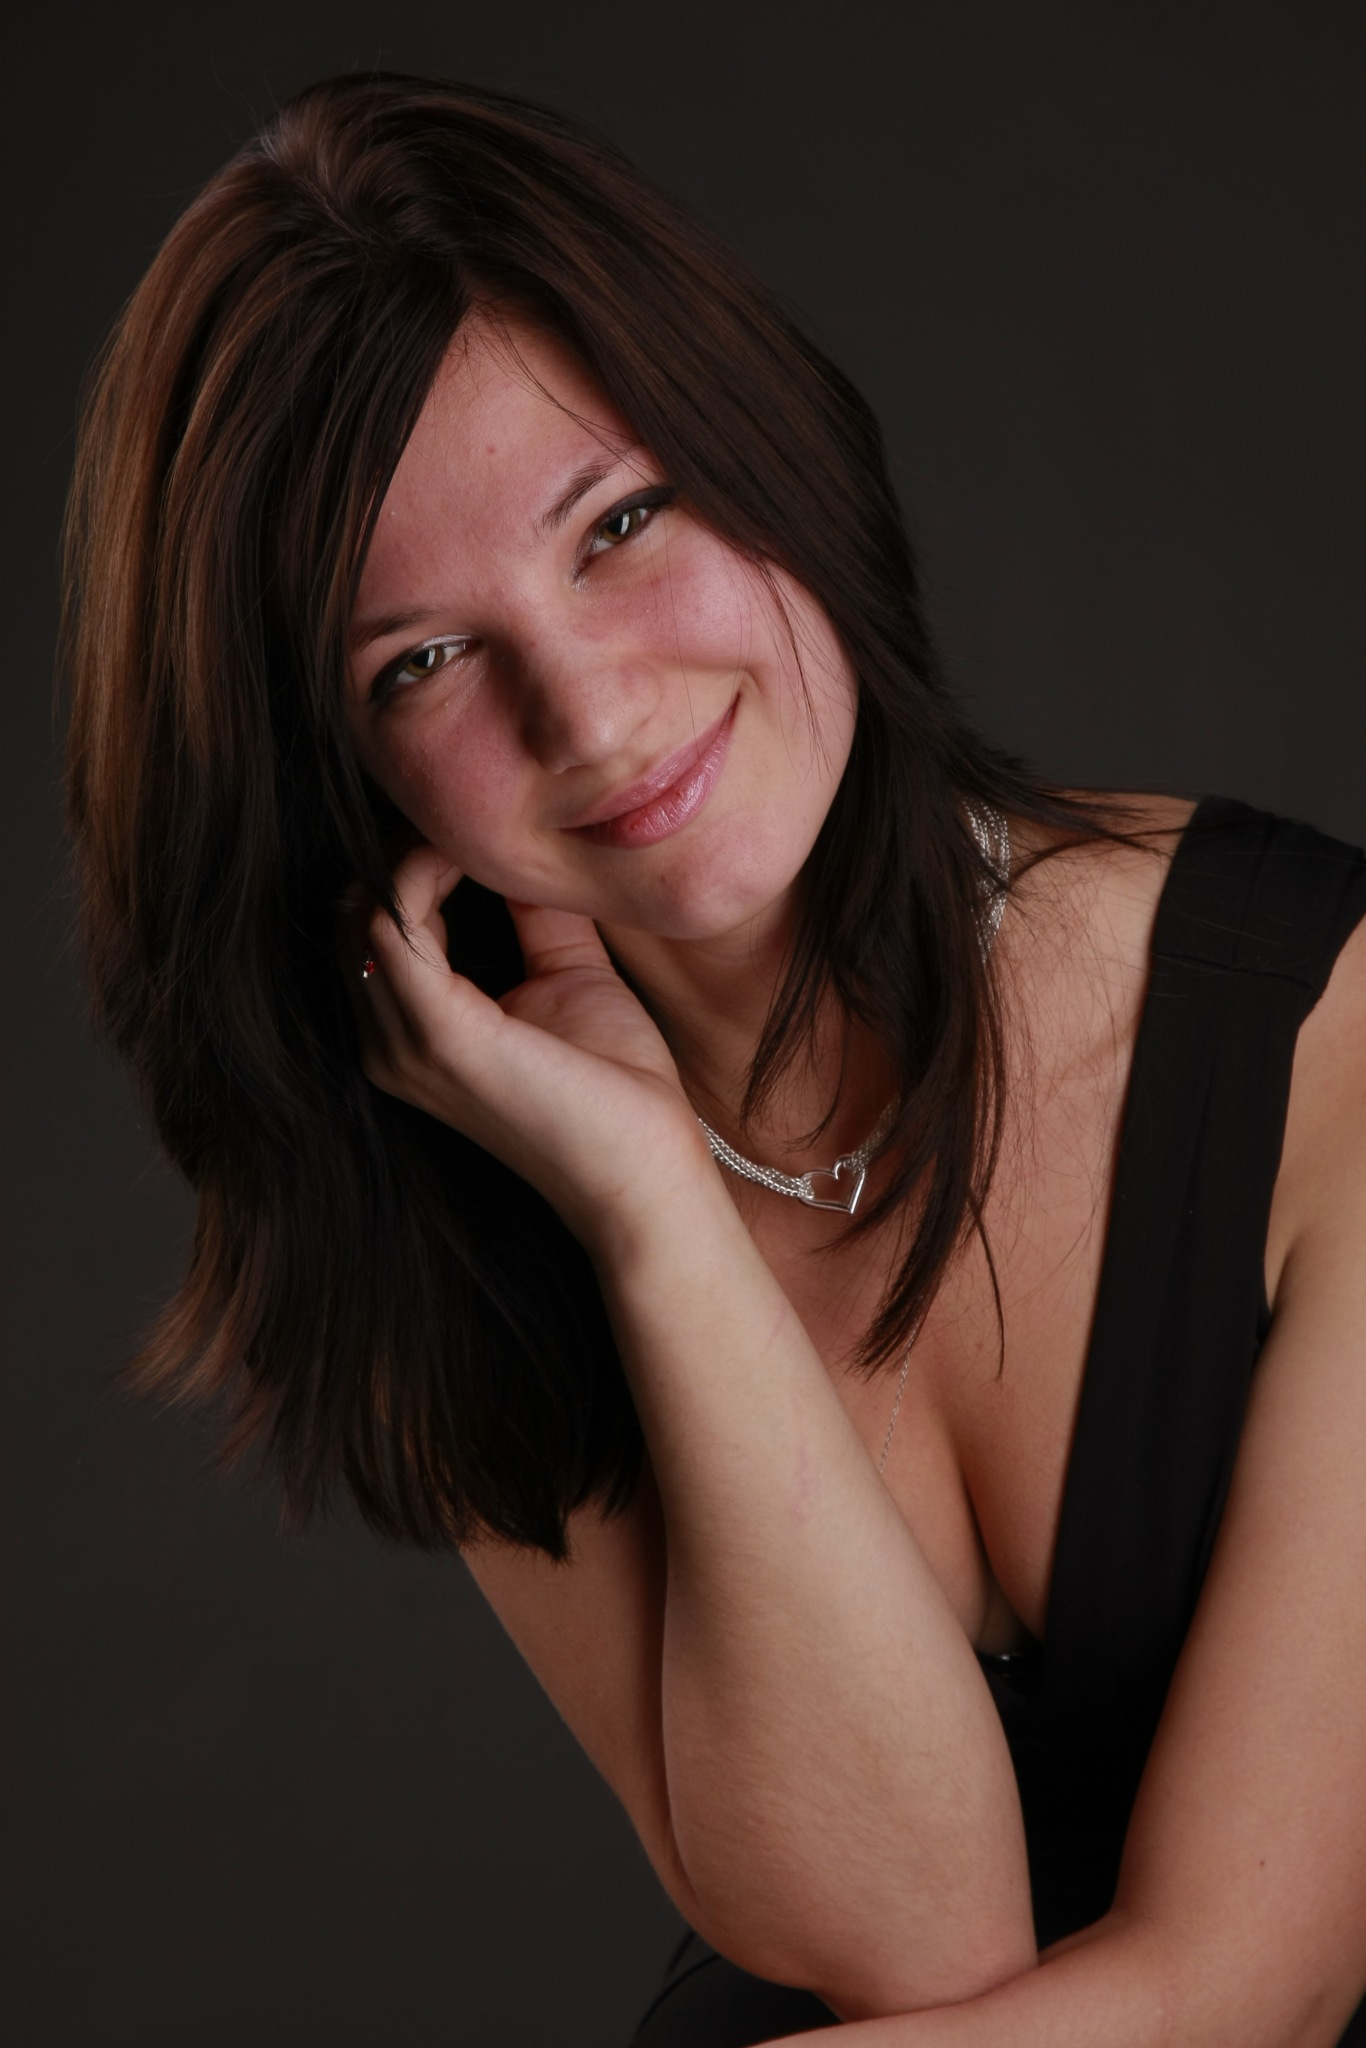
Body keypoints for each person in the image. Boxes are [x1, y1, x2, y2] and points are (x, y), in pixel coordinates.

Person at [62, 71, 1366, 2047]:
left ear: (766, 451)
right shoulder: (451, 1193)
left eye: (618, 521)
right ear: (338, 781)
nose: (590, 714)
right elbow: (902, 1935)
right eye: (419, 662)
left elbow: (1249, 1983)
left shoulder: (1326, 1028)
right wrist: (653, 1215)